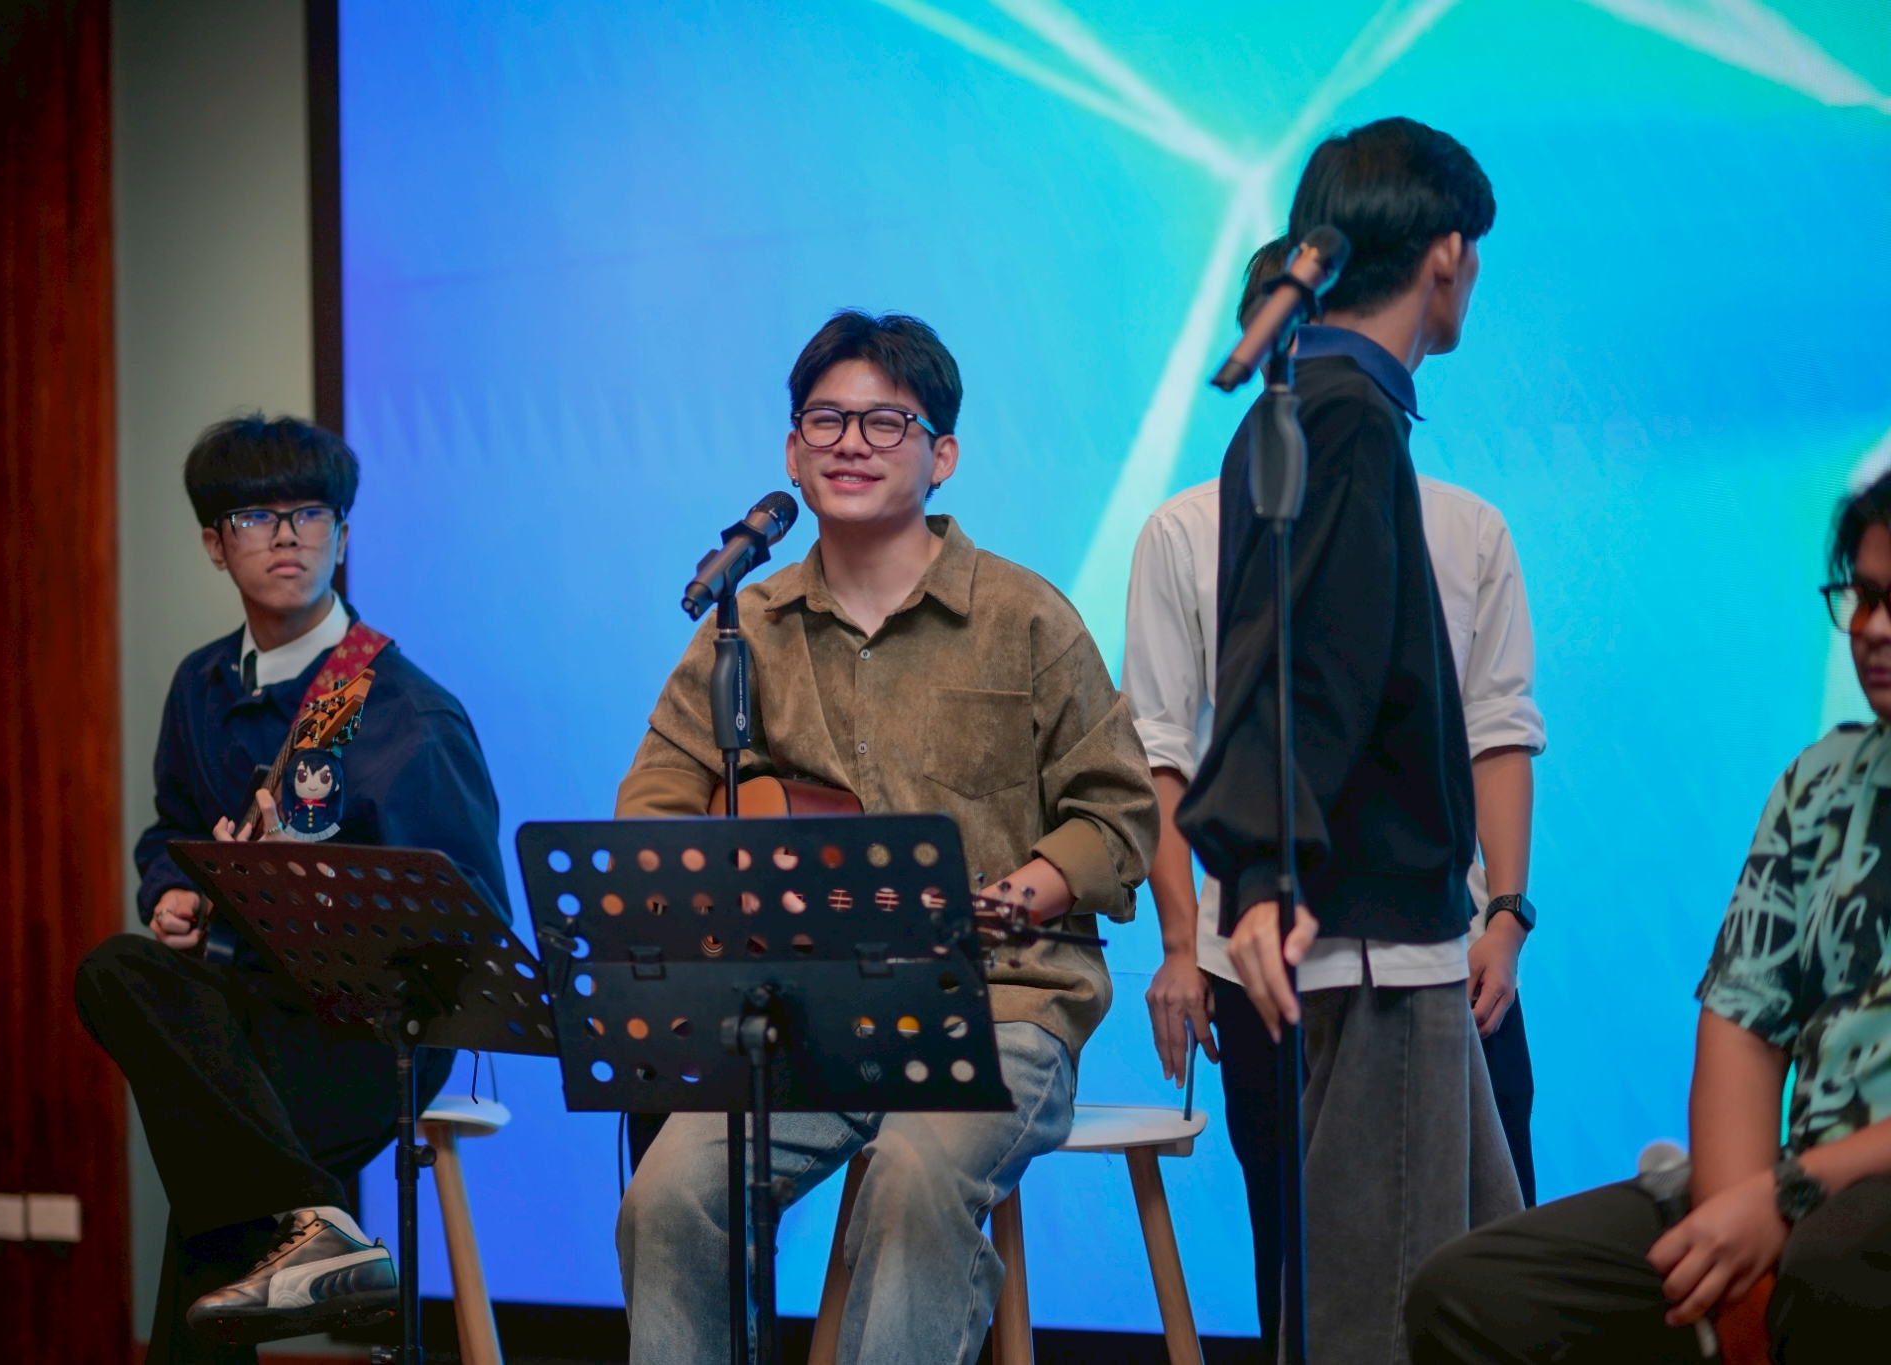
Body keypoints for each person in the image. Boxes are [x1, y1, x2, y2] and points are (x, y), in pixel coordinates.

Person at [613, 310, 1159, 1365]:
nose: (850, 443)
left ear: (940, 455)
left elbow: (1119, 811)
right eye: (825, 420)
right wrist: (742, 847)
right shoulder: (743, 628)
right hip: (808, 1014)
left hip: (1002, 1002)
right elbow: (653, 813)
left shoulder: (1024, 617)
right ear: (791, 451)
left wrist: (1023, 892)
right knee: (669, 1195)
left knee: (912, 1178)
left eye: (884, 422)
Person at [1126, 235, 1547, 1348]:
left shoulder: (1465, 525)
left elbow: (1498, 732)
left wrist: (1504, 918)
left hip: (1439, 944)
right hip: (1263, 958)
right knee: (1306, 1265)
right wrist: (1183, 944)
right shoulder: (1189, 526)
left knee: (1493, 1255)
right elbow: (1162, 748)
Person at [1406, 472, 1891, 1362]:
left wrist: (1781, 1199)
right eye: (1863, 596)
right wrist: (1737, 1236)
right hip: (1799, 1191)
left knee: (1833, 1265)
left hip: (1844, 1207)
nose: (1874, 627)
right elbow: (1743, 1027)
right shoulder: (1820, 783)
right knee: (1468, 1292)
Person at [74, 416, 510, 1362]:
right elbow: (170, 829)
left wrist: (307, 894)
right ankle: (322, 1226)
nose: (287, 536)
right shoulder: (199, 686)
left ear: (342, 535)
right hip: (245, 1010)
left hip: (369, 1032)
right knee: (113, 968)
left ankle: (314, 1236)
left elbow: (473, 921)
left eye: (311, 513)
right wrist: (174, 893)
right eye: (256, 516)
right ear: (214, 543)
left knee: (213, 1156)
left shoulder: (405, 708)